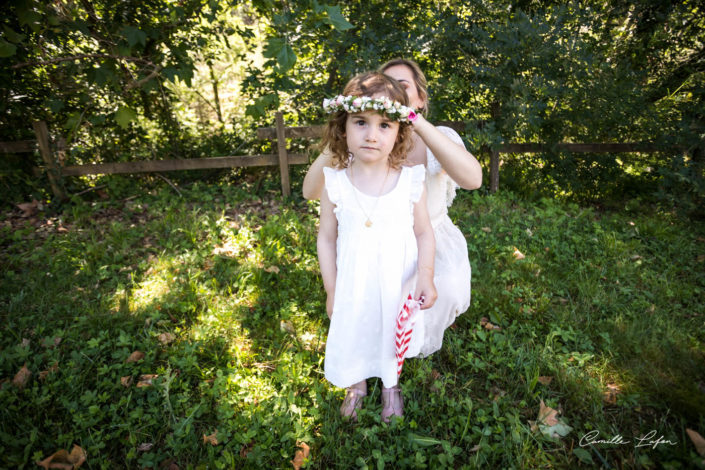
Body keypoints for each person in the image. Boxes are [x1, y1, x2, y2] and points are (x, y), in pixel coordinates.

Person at [305, 58, 482, 359]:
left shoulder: (437, 136)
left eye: (401, 88)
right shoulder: (365, 142)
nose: (388, 96)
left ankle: (411, 342)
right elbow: (311, 191)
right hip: (376, 238)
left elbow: (473, 180)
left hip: (429, 236)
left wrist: (416, 122)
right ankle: (373, 347)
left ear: (421, 99)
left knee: (443, 285)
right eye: (381, 86)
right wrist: (340, 137)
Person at [317, 71, 437, 422]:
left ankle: (390, 385)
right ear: (343, 128)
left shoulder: (410, 181)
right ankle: (356, 384)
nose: (372, 135)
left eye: (385, 125)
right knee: (354, 328)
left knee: (389, 333)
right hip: (353, 281)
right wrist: (331, 288)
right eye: (361, 123)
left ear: (400, 132)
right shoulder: (335, 183)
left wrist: (426, 277)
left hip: (395, 281)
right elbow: (326, 237)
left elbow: (424, 233)